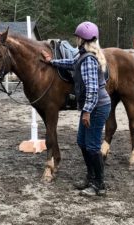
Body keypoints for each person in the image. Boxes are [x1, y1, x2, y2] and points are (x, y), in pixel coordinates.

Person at [41, 21, 111, 196]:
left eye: (77, 37)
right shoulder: (83, 55)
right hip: (92, 106)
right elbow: (70, 64)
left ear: (82, 39)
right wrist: (52, 61)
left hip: (97, 107)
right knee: (82, 141)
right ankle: (91, 176)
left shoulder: (88, 60)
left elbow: (93, 90)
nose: (76, 39)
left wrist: (86, 111)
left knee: (93, 146)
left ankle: (99, 185)